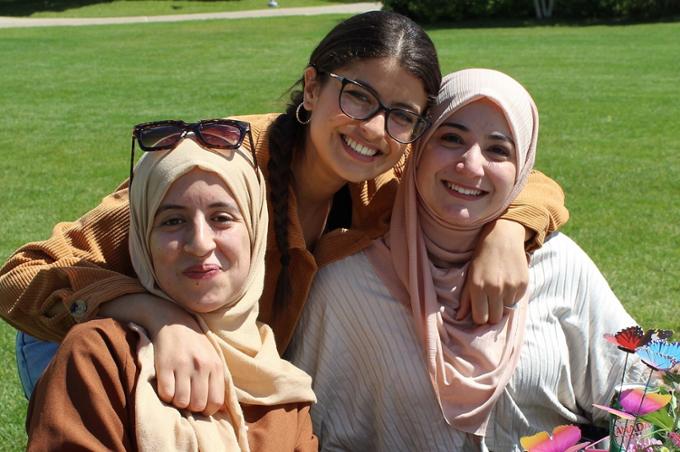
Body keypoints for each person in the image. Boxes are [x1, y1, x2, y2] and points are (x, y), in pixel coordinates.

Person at [1, 11, 568, 408]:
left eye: (401, 113)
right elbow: (20, 277)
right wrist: (155, 314)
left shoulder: (390, 178)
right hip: (88, 333)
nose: (373, 129)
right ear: (313, 87)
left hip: (227, 351)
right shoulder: (215, 164)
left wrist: (509, 231)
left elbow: (517, 177)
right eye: (357, 96)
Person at [286, 68, 642, 451]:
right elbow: (307, 430)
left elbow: (645, 391)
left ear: (522, 167)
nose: (471, 166)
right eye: (451, 138)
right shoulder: (344, 283)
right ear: (417, 149)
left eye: (498, 150)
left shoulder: (559, 266)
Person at [27, 134, 318, 451]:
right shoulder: (99, 356)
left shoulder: (285, 392)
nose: (200, 243)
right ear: (142, 239)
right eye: (173, 220)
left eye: (221, 218)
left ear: (255, 232)